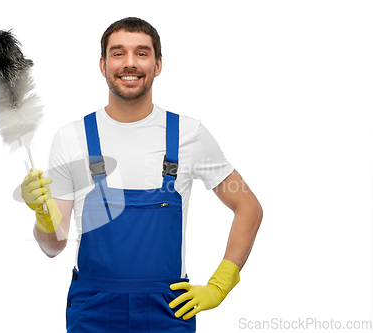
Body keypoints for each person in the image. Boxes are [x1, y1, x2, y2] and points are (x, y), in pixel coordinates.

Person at [21, 17, 263, 333]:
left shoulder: (188, 135)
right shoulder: (72, 137)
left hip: (169, 309)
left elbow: (248, 207)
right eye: (118, 53)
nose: (130, 63)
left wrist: (221, 284)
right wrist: (42, 215)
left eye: (142, 53)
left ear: (158, 64)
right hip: (92, 311)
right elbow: (53, 247)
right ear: (103, 64)